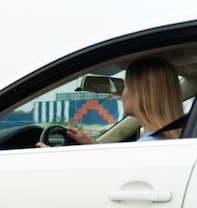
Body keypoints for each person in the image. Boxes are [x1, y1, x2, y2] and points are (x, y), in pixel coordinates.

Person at [36, 57, 184, 147]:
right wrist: (90, 143)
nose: (122, 94)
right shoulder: (167, 140)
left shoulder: (149, 146)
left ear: (141, 94)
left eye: (126, 87)